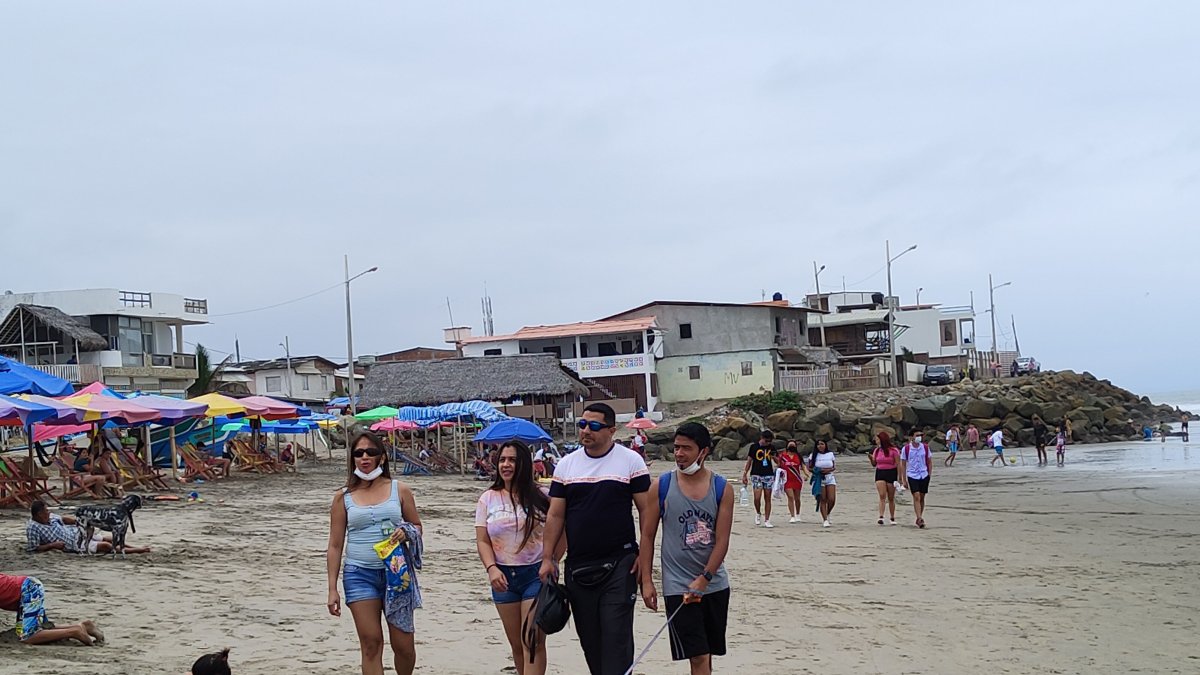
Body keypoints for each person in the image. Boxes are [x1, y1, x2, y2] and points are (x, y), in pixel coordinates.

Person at [538, 403, 652, 675]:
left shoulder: (630, 461)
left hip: (621, 563)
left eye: (594, 426)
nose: (586, 430)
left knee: (616, 639)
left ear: (611, 430)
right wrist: (548, 558)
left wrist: (645, 563)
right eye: (582, 424)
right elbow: (555, 515)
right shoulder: (566, 465)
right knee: (591, 643)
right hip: (578, 566)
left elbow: (647, 512)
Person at [638, 423, 733, 675]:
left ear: (703, 451)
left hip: (714, 584)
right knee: (697, 655)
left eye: (686, 448)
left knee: (707, 654)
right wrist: (646, 581)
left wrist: (705, 578)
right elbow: (647, 536)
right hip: (678, 586)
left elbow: (722, 540)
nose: (679, 454)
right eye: (676, 447)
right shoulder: (662, 485)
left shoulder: (722, 488)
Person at [326, 432, 424, 675]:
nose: (365, 457)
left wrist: (406, 532)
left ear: (382, 457)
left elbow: (417, 525)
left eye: (371, 452)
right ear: (352, 458)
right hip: (359, 575)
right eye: (358, 453)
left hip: (397, 574)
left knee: (404, 647)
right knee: (371, 643)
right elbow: (335, 545)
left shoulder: (400, 490)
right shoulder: (342, 497)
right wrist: (332, 588)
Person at [475, 440, 561, 675]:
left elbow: (563, 529)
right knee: (516, 644)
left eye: (512, 460)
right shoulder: (487, 498)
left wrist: (553, 559)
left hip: (536, 574)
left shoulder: (543, 495)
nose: (506, 465)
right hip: (503, 577)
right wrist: (491, 568)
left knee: (531, 640)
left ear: (524, 463)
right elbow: (482, 540)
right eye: (502, 460)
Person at [0, 573, 104, 645]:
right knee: (38, 628)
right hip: (29, 586)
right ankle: (84, 626)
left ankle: (74, 632)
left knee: (28, 637)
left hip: (28, 590)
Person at [26, 500, 150, 555]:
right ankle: (138, 550)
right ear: (39, 514)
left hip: (75, 532)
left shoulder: (50, 517)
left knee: (108, 538)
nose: (48, 513)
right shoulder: (33, 527)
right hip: (72, 544)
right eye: (46, 511)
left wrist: (78, 522)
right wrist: (52, 545)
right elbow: (34, 548)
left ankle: (134, 547)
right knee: (105, 546)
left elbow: (63, 519)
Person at [740, 430, 777, 528]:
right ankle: (758, 512)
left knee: (767, 497)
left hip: (768, 474)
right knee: (757, 497)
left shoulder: (771, 448)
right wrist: (745, 474)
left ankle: (767, 519)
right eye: (766, 441)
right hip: (756, 474)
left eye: (769, 441)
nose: (768, 443)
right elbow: (749, 461)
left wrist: (774, 456)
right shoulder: (754, 447)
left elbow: (778, 462)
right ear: (762, 438)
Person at [900, 433, 932, 528]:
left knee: (922, 496)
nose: (919, 437)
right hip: (912, 475)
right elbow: (903, 464)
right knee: (916, 496)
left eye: (920, 435)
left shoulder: (925, 447)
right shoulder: (906, 449)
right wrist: (904, 479)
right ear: (911, 437)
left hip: (924, 474)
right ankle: (919, 518)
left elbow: (929, 462)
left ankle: (920, 516)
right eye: (917, 435)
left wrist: (929, 475)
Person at [869, 433, 901, 526]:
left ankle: (892, 517)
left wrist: (900, 477)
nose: (876, 441)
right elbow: (874, 464)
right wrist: (871, 459)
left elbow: (898, 464)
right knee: (882, 495)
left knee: (891, 497)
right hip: (880, 472)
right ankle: (881, 516)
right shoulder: (877, 450)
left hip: (891, 473)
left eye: (877, 439)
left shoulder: (894, 450)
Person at [808, 439, 837, 528]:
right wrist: (818, 470)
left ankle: (827, 513)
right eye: (818, 444)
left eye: (822, 444)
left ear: (825, 445)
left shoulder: (830, 454)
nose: (820, 446)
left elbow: (833, 467)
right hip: (819, 478)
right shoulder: (813, 455)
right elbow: (809, 467)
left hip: (829, 477)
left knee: (831, 499)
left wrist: (828, 470)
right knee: (822, 499)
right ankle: (825, 519)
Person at [775, 441, 806, 524]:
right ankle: (792, 516)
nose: (792, 446)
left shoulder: (798, 456)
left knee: (797, 498)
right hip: (787, 480)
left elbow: (803, 466)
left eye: (793, 445)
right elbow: (778, 465)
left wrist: (807, 474)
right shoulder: (783, 456)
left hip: (797, 479)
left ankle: (798, 514)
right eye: (790, 445)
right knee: (790, 497)